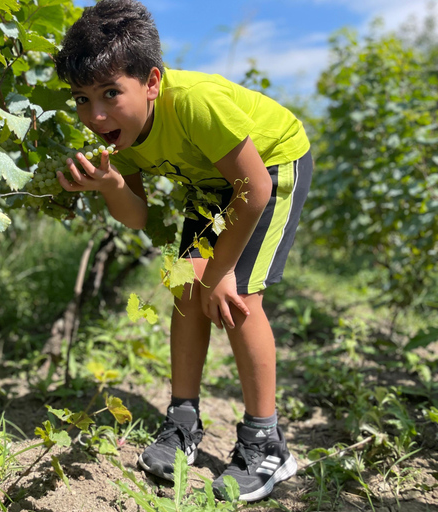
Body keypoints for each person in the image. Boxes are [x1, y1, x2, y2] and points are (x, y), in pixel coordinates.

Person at [52, 0, 312, 502]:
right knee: (183, 288)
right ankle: (183, 420)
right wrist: (109, 184)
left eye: (110, 93)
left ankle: (267, 443)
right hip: (211, 185)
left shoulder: (194, 103)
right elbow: (137, 214)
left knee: (239, 299)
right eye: (81, 99)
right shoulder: (118, 134)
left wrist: (221, 271)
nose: (96, 114)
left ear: (151, 83)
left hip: (269, 169)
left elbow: (253, 188)